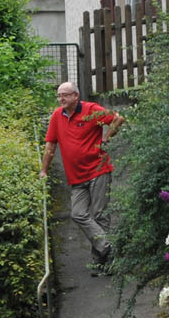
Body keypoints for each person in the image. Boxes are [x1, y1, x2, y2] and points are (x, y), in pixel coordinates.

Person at [39, 81, 124, 272]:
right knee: (78, 214)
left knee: (100, 214)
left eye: (65, 95)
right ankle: (108, 247)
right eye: (59, 95)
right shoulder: (57, 116)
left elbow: (118, 119)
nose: (61, 99)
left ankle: (101, 262)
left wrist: (106, 138)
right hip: (76, 176)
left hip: (98, 170)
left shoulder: (91, 110)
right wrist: (44, 170)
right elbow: (50, 145)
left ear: (76, 96)